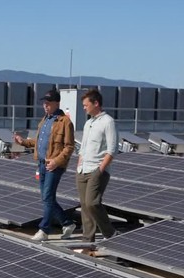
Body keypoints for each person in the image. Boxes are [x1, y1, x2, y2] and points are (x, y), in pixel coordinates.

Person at [14, 88, 76, 241]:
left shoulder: (65, 122)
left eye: (48, 103)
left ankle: (44, 230)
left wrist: (57, 161)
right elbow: (40, 143)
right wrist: (24, 142)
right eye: (44, 103)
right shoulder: (45, 120)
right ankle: (67, 223)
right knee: (46, 197)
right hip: (41, 164)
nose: (45, 105)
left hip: (54, 165)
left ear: (57, 103)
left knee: (47, 196)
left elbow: (69, 146)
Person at [75, 88, 117, 247]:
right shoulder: (88, 123)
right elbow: (83, 147)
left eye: (86, 105)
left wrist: (100, 169)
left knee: (92, 203)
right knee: (85, 206)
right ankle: (87, 241)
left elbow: (112, 149)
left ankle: (110, 233)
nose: (84, 108)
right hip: (82, 169)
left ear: (96, 103)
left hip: (97, 169)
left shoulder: (108, 122)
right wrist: (79, 163)